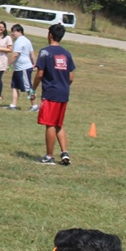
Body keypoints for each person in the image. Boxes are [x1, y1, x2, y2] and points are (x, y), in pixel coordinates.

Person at [32, 24, 76, 165]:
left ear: (50, 35)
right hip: (64, 92)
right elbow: (71, 77)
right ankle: (64, 153)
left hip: (51, 92)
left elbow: (40, 74)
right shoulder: (66, 53)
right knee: (58, 124)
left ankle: (49, 156)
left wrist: (33, 89)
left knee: (50, 124)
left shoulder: (45, 52)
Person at [8, 24, 37, 111]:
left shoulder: (20, 41)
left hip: (23, 68)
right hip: (18, 68)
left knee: (28, 88)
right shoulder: (27, 40)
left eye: (14, 31)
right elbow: (32, 53)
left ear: (20, 31)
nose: (12, 33)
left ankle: (35, 106)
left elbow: (15, 55)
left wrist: (8, 65)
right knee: (15, 86)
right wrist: (34, 63)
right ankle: (13, 105)